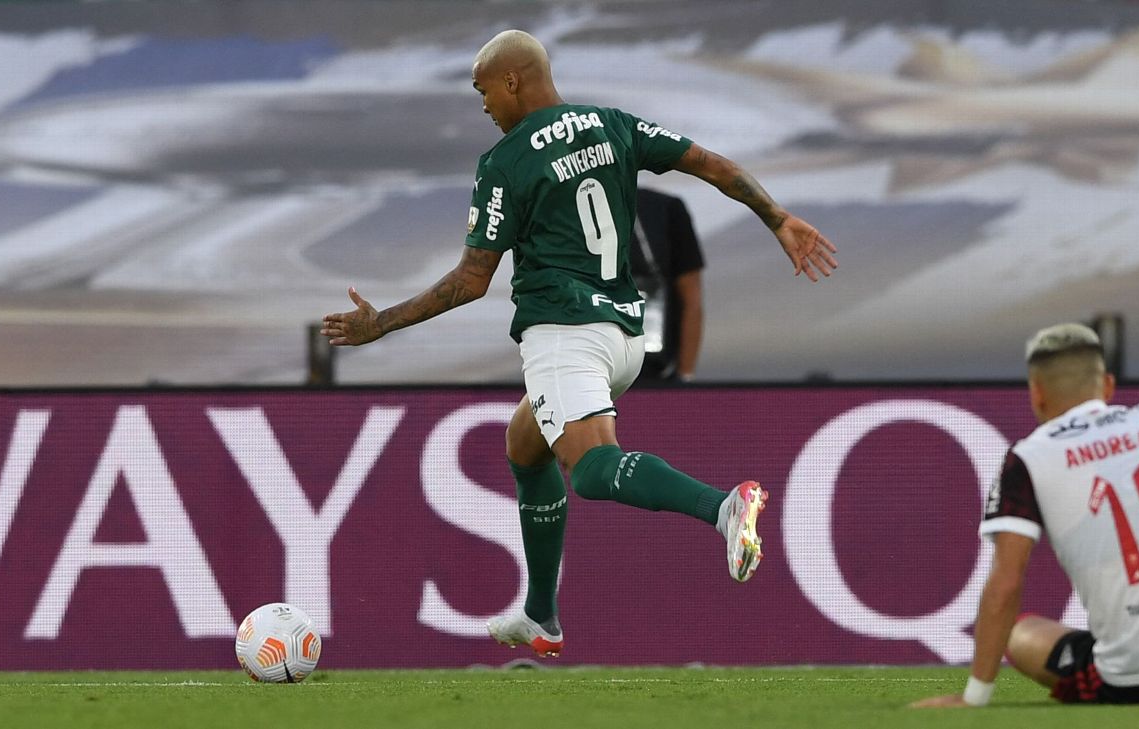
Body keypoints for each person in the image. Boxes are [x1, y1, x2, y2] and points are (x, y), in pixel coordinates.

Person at [321, 29, 837, 657]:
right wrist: (778, 218)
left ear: (513, 80)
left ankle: (723, 508)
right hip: (625, 336)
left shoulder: (505, 162)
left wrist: (383, 325)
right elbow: (713, 167)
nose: (483, 105)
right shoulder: (611, 124)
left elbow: (470, 280)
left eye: (484, 90)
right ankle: (541, 615)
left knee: (591, 470)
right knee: (524, 445)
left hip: (563, 334)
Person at [913, 323, 1139, 708]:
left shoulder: (1028, 459)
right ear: (1108, 386)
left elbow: (1006, 581)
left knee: (1022, 637)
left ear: (1036, 393)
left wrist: (974, 698)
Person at [630, 187, 704, 381]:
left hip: (655, 374)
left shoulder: (665, 209)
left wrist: (685, 379)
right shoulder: (559, 207)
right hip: (584, 370)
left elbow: (692, 299)